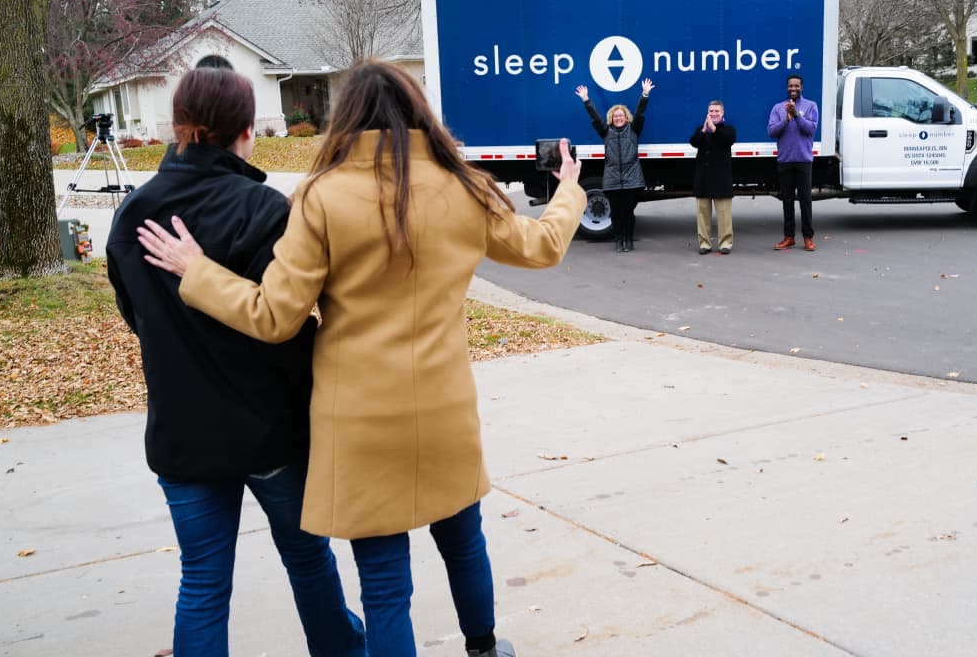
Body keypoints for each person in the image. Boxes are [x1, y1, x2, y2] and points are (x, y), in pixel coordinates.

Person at [136, 59, 587, 657]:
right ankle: (483, 649)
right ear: (419, 114)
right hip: (446, 411)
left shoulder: (321, 196)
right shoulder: (467, 187)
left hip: (360, 423)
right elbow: (544, 245)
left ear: (348, 118)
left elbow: (276, 316)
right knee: (464, 541)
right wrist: (570, 188)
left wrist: (199, 273)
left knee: (383, 586)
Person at [106, 68, 366, 657]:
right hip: (270, 429)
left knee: (202, 580)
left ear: (178, 127)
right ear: (246, 132)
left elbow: (137, 315)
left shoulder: (133, 214)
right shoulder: (264, 209)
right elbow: (288, 320)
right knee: (307, 558)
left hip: (182, 431)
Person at [575, 79, 652, 252]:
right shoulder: (606, 132)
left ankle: (628, 240)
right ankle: (619, 240)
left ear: (626, 117)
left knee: (628, 213)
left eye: (621, 115)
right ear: (612, 118)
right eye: (615, 116)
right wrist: (586, 100)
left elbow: (640, 114)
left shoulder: (633, 131)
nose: (618, 118)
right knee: (616, 213)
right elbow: (595, 118)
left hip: (632, 178)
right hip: (612, 179)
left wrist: (645, 94)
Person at [767, 73, 819, 251]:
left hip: (804, 161)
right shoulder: (777, 108)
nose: (793, 89)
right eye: (791, 86)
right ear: (787, 87)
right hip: (785, 161)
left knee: (805, 201)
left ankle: (808, 238)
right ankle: (789, 237)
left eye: (796, 86)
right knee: (787, 201)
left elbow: (811, 129)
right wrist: (786, 119)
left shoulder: (811, 106)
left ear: (801, 87)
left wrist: (796, 116)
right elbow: (772, 131)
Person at [689, 100, 736, 254]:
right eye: (711, 111)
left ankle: (725, 243)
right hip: (703, 177)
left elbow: (726, 140)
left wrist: (714, 129)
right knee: (703, 213)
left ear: (722, 113)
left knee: (723, 213)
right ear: (707, 113)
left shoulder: (728, 129)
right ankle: (704, 243)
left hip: (721, 178)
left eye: (717, 111)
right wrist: (703, 130)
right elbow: (694, 142)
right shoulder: (701, 130)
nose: (714, 114)